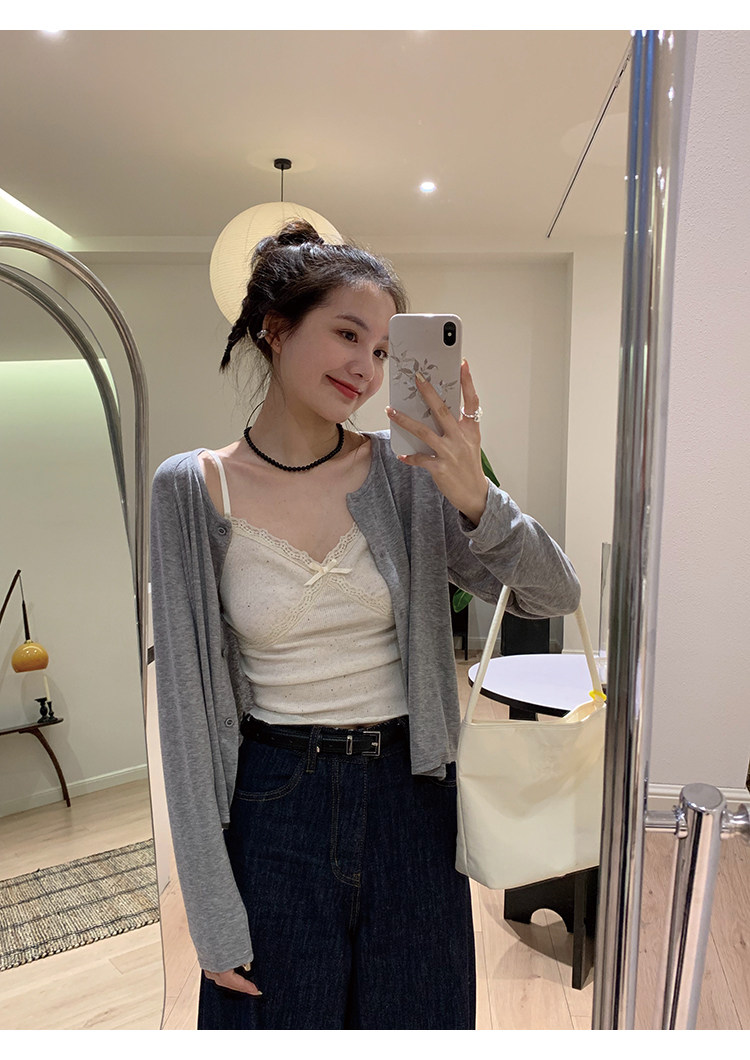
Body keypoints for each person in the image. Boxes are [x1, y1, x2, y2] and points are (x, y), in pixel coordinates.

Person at [150, 220, 581, 1030]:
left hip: (410, 798)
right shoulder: (191, 488)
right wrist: (208, 909)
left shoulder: (407, 473)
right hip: (275, 802)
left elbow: (553, 594)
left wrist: (479, 499)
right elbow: (182, 708)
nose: (367, 367)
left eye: (382, 350)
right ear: (276, 330)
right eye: (348, 334)